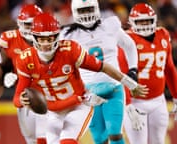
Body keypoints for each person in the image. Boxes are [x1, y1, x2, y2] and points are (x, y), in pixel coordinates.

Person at [12, 12, 148, 144]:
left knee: (68, 140)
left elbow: (103, 67)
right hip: (54, 113)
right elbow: (17, 99)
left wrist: (130, 84)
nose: (46, 43)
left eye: (50, 38)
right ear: (34, 38)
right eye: (42, 39)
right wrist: (22, 100)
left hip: (78, 107)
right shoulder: (25, 60)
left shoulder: (70, 51)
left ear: (57, 36)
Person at [59, 0, 140, 143]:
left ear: (96, 8)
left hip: (113, 87)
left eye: (89, 9)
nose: (87, 14)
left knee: (115, 133)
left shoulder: (110, 25)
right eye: (83, 11)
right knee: (99, 138)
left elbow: (129, 45)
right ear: (75, 12)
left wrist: (133, 69)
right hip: (88, 92)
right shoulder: (67, 34)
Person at [123, 3, 177, 144]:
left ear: (154, 20)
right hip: (136, 102)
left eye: (147, 20)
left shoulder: (163, 34)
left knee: (159, 141)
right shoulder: (126, 39)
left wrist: (176, 96)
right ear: (132, 23)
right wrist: (127, 104)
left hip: (159, 100)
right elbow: (121, 75)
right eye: (141, 21)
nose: (144, 24)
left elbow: (169, 68)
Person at [0, 4, 47, 144]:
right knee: (31, 138)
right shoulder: (10, 40)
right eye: (27, 24)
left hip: (50, 91)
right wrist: (7, 75)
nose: (31, 28)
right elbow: (1, 65)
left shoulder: (52, 38)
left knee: (49, 137)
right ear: (19, 24)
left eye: (34, 24)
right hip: (26, 93)